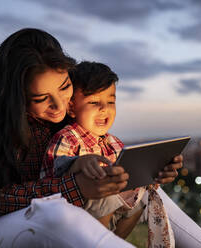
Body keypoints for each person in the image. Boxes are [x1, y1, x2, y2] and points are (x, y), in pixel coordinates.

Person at [0, 28, 185, 247]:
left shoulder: (67, 119)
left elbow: (78, 162)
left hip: (46, 214)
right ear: (16, 98)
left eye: (64, 87)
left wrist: (148, 172)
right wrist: (76, 187)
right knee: (54, 213)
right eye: (40, 99)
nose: (60, 106)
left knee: (149, 193)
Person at [41, 61, 175, 247]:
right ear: (72, 108)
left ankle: (112, 241)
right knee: (103, 192)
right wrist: (77, 163)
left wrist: (152, 171)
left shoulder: (113, 143)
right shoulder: (67, 138)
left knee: (142, 195)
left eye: (110, 102)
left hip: (112, 216)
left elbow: (129, 174)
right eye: (94, 102)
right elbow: (53, 171)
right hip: (77, 215)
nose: (104, 108)